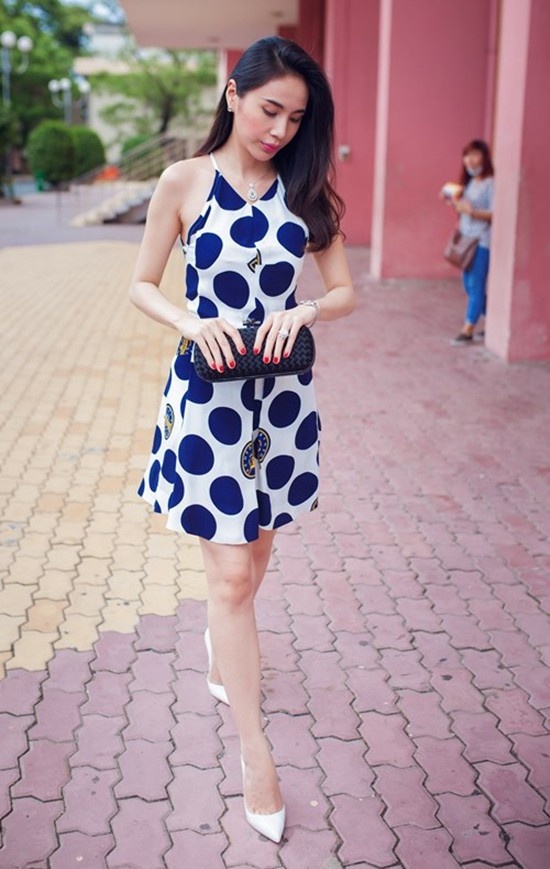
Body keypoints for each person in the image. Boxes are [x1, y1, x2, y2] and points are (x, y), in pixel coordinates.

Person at [129, 35, 355, 843]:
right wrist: (192, 321)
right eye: (269, 110)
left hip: (280, 403)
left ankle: (222, 647)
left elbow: (344, 291)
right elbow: (140, 283)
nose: (280, 130)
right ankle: (256, 753)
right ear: (234, 94)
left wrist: (308, 309)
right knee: (230, 576)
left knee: (254, 559)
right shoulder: (183, 181)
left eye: (295, 118)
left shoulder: (304, 188)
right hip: (208, 400)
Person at [446, 139, 495, 345]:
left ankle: (468, 329)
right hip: (466, 239)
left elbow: (494, 212)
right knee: (469, 286)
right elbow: (464, 207)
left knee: (475, 286)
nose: (470, 160)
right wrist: (453, 201)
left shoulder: (491, 182)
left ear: (484, 157)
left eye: (475, 155)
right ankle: (495, 322)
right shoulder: (470, 182)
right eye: (467, 155)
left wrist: (472, 211)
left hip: (481, 241)